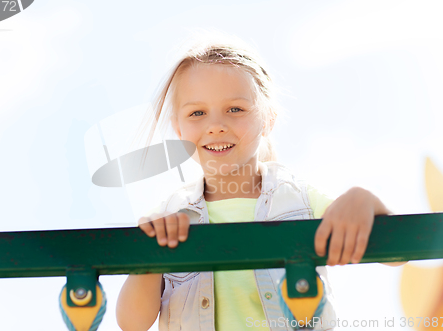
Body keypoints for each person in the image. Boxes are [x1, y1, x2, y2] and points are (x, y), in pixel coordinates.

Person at [116, 34, 392, 331]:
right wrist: (149, 258)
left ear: (268, 117)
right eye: (197, 113)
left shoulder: (300, 199)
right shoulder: (169, 215)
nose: (215, 125)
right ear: (178, 127)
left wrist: (364, 199)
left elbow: (395, 257)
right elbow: (132, 324)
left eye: (235, 109)